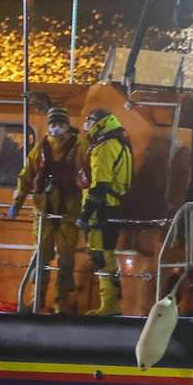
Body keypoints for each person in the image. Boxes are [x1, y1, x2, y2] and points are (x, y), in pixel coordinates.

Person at [7, 106, 84, 314]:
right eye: (52, 124)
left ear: (67, 125)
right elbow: (26, 175)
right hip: (44, 211)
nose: (55, 128)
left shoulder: (79, 147)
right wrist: (17, 201)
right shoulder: (40, 149)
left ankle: (62, 302)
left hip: (69, 211)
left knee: (66, 259)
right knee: (41, 257)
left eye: (59, 124)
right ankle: (37, 300)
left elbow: (88, 176)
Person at [75, 108, 133, 316]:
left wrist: (84, 216)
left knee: (101, 255)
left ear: (100, 123)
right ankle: (112, 301)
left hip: (101, 210)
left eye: (90, 121)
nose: (87, 125)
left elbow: (99, 185)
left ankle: (109, 303)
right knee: (107, 255)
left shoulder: (104, 147)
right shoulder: (119, 143)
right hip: (112, 208)